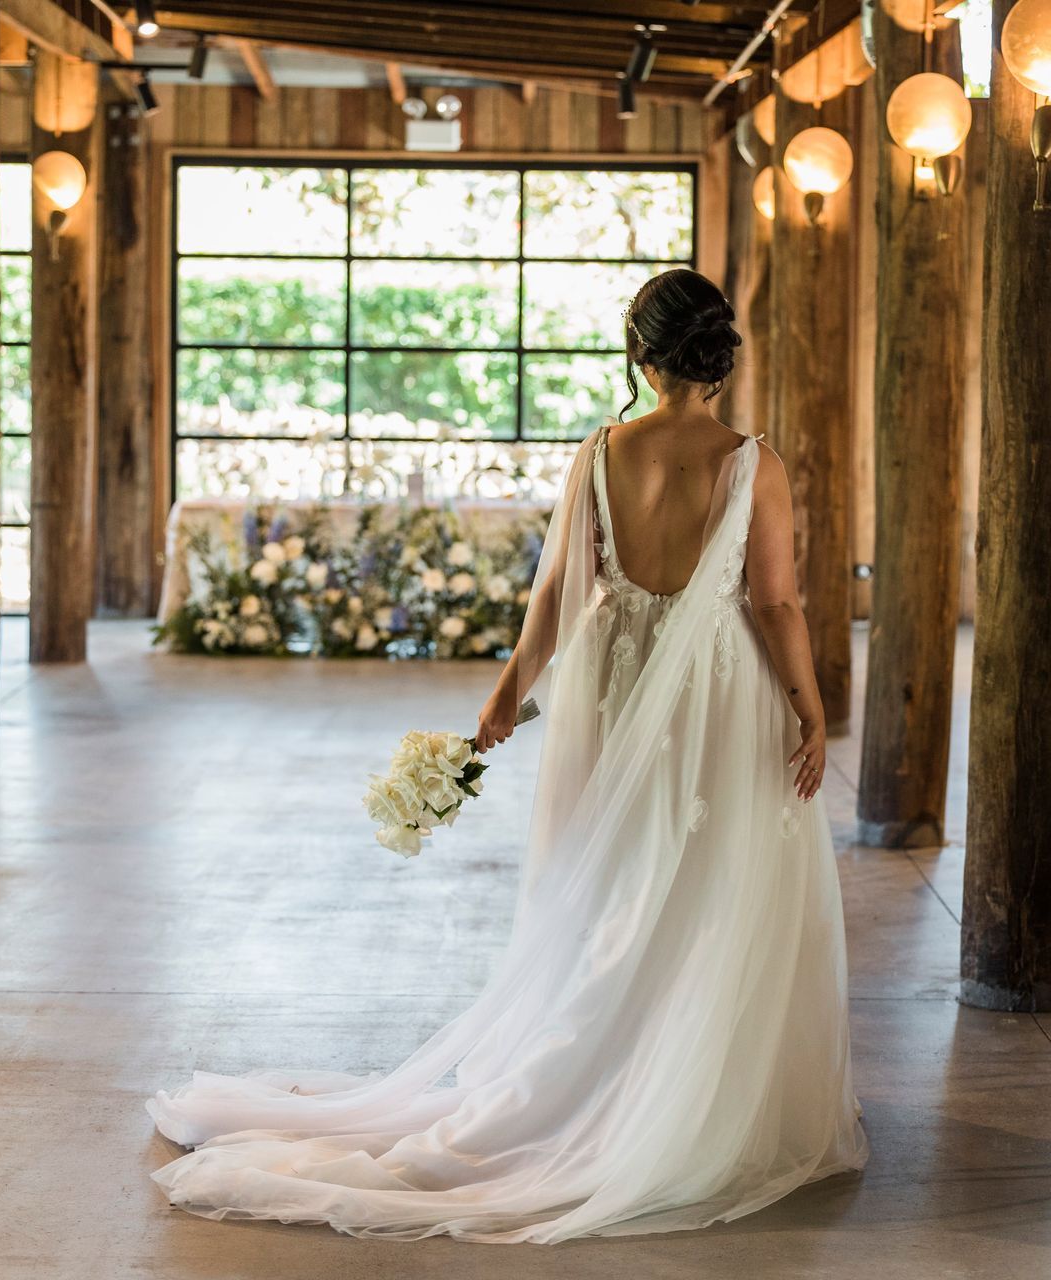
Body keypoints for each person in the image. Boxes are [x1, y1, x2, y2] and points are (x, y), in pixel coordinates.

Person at [146, 268, 867, 1243]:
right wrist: (809, 705)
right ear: (717, 349)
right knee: (714, 882)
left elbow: (560, 590)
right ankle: (675, 1079)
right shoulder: (753, 464)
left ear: (639, 354)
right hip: (714, 693)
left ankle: (600, 1065)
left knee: (609, 878)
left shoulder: (602, 453)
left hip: (612, 683)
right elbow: (777, 602)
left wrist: (504, 697)